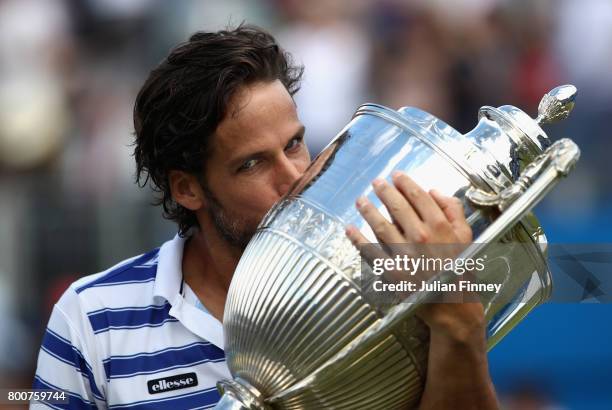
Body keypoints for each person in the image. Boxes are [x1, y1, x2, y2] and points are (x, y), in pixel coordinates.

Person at [32, 25, 499, 409]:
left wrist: (459, 325)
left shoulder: (390, 284)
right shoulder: (90, 318)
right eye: (252, 163)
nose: (295, 176)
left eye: (295, 143)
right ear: (187, 187)